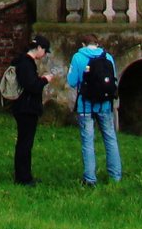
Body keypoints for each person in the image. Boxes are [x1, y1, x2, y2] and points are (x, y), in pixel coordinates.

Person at [66, 32, 122, 186]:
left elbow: (71, 81)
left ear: (83, 44)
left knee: (88, 140)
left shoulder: (78, 57)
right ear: (97, 43)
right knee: (110, 138)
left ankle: (90, 178)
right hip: (105, 104)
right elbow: (113, 80)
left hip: (86, 105)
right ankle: (116, 176)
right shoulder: (108, 57)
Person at [10, 34, 56, 186]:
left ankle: (25, 175)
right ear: (39, 48)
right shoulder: (26, 63)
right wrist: (45, 80)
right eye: (45, 51)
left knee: (25, 142)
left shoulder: (24, 62)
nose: (44, 55)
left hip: (24, 107)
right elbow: (31, 86)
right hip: (26, 108)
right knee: (25, 143)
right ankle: (23, 177)